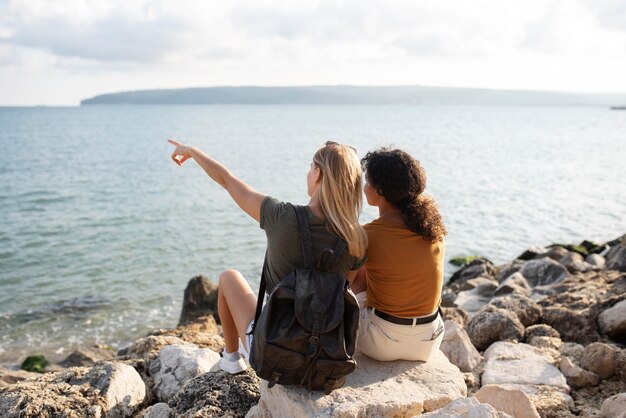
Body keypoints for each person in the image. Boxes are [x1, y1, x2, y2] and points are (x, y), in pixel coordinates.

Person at [168, 139, 367, 374]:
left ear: (319, 174)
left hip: (274, 350)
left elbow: (228, 181)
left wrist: (194, 151)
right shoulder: (357, 238)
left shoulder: (281, 216)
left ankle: (231, 360)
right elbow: (349, 288)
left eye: (310, 167)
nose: (308, 173)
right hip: (325, 354)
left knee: (228, 277)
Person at [351, 147, 447, 362]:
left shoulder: (369, 234)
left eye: (368, 182)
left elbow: (347, 285)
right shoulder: (434, 229)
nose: (364, 188)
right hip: (429, 341)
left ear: (381, 191)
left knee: (357, 274)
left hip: (382, 344)